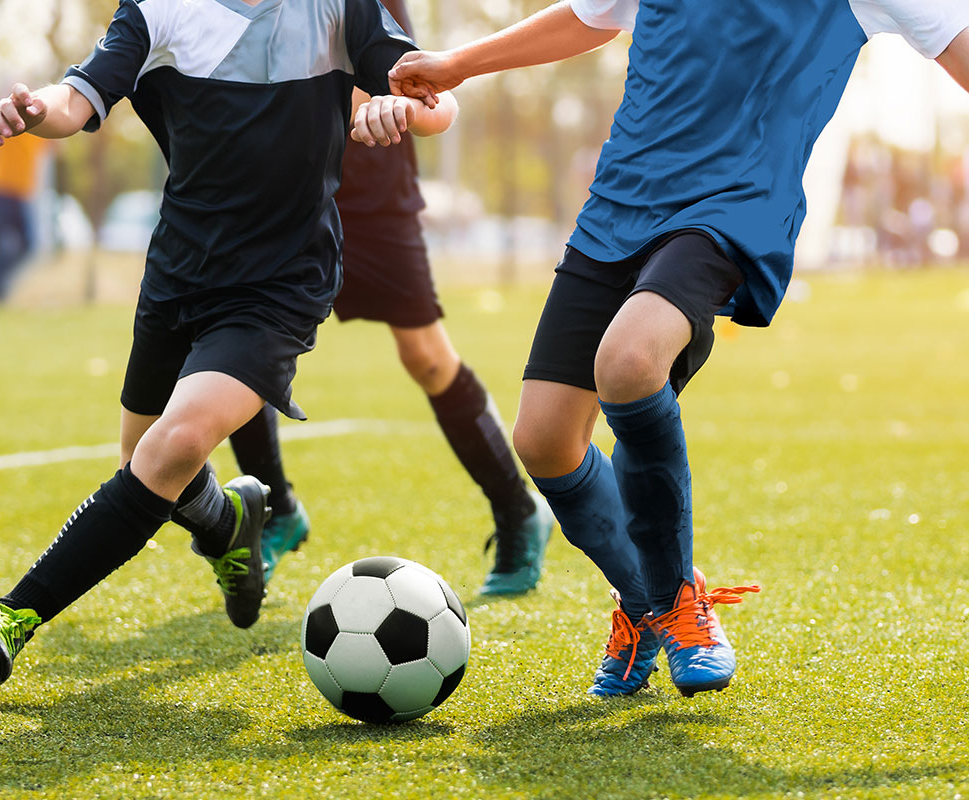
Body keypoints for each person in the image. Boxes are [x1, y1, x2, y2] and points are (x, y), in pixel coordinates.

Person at [384, 0, 969, 697]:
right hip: (619, 205)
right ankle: (646, 599)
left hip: (731, 208)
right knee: (543, 440)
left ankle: (677, 608)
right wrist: (456, 63)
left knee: (629, 362)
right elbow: (589, 16)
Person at [0, 0, 457, 690]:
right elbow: (76, 99)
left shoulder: (338, 5)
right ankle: (227, 523)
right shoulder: (157, 9)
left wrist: (401, 108)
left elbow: (436, 101)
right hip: (178, 273)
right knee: (146, 465)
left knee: (172, 446)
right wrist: (35, 111)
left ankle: (11, 616)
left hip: (281, 281)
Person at [220, 0, 554, 598]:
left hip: (372, 188)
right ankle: (277, 509)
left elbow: (416, 84)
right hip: (279, 189)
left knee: (426, 356)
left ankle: (517, 507)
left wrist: (388, 103)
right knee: (240, 344)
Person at [0, 132, 50, 303]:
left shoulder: (44, 127)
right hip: (0, 186)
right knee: (6, 244)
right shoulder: (16, 122)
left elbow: (53, 147)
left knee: (27, 245)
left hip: (21, 191)